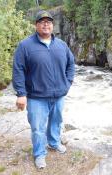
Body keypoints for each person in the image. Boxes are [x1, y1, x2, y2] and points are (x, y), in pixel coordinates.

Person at [12, 10, 75, 169]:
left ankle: (54, 143)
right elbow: (18, 69)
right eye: (42, 21)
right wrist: (21, 94)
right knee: (38, 128)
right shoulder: (25, 45)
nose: (45, 24)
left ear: (53, 25)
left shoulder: (61, 45)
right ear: (36, 25)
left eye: (48, 21)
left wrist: (67, 83)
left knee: (56, 121)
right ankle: (39, 154)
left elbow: (71, 65)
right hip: (36, 97)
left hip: (59, 95)